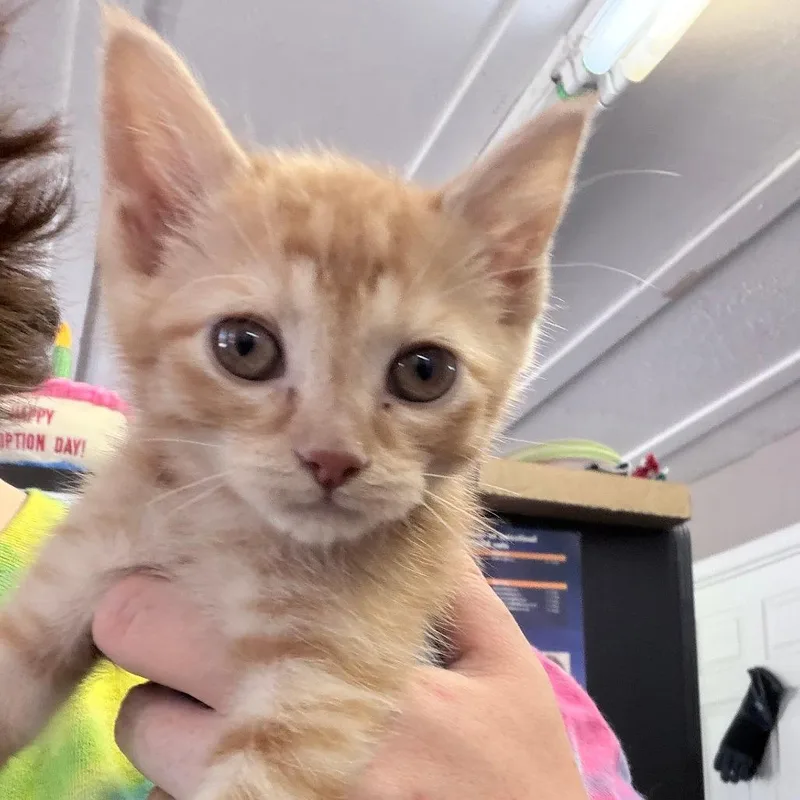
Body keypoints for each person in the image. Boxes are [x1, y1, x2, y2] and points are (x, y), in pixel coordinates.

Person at [0, 23, 640, 800]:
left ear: (511, 300)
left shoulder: (508, 690)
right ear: (151, 236)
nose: (333, 449)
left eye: (419, 372)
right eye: (248, 349)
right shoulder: (135, 475)